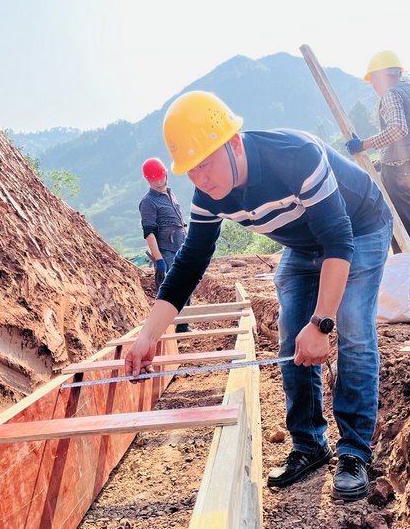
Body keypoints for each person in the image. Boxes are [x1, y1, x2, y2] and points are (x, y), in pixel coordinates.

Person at [125, 91, 393, 502]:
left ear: (234, 143)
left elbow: (338, 241)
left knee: (353, 326)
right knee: (290, 334)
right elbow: (187, 267)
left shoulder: (295, 156)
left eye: (206, 164)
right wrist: (147, 336)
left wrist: (323, 322)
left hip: (359, 227)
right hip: (304, 247)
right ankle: (309, 445)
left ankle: (354, 451)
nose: (201, 179)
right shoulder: (208, 196)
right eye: (191, 171)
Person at [345, 50, 410, 303]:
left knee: (402, 231)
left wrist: (364, 145)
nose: (374, 87)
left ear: (381, 76)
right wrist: (382, 161)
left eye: (373, 81)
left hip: (400, 172)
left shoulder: (391, 95)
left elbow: (399, 130)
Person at [138, 157, 189, 333]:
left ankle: (183, 326)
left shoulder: (170, 194)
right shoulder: (148, 202)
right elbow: (149, 231)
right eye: (154, 179)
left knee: (187, 285)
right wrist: (159, 259)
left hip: (181, 247)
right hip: (166, 251)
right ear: (148, 180)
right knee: (171, 290)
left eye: (161, 177)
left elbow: (179, 222)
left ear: (166, 174)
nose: (159, 182)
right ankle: (166, 329)